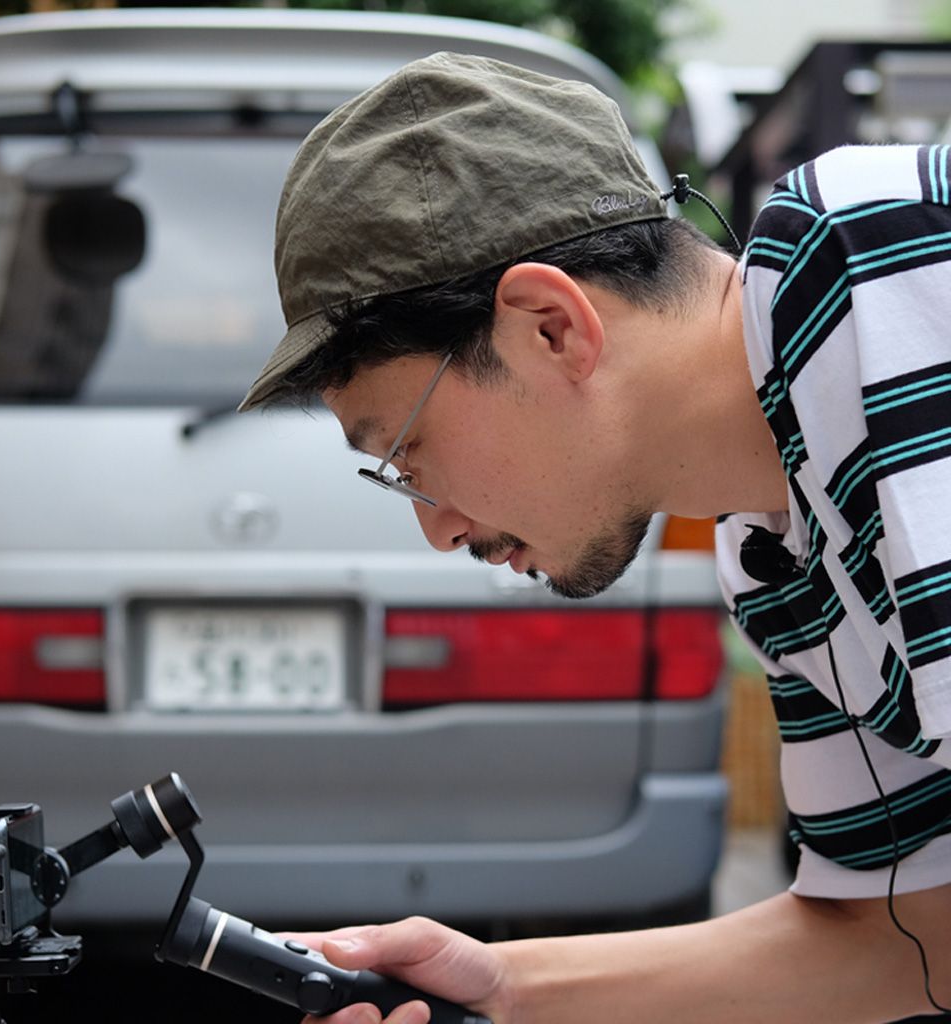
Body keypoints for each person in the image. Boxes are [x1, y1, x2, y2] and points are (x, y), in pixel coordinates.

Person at [238, 52, 951, 1024]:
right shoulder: (777, 565)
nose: (437, 528)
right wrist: (502, 988)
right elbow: (901, 940)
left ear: (548, 328)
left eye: (406, 453)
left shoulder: (884, 262)